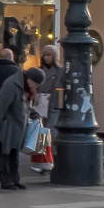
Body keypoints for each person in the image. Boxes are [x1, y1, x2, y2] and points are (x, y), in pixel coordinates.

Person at [0, 69, 42, 191]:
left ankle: (14, 180)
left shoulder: (26, 88)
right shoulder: (11, 84)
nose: (36, 87)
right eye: (36, 83)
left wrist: (35, 113)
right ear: (30, 79)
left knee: (14, 155)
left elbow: (25, 107)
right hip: (7, 127)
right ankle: (6, 181)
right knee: (4, 154)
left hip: (17, 128)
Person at [33, 45, 63, 175]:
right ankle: (41, 162)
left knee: (52, 133)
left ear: (55, 56)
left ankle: (53, 161)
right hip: (41, 103)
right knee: (41, 133)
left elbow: (62, 89)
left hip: (55, 105)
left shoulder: (60, 71)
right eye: (44, 55)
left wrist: (60, 104)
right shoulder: (40, 71)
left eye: (49, 55)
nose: (46, 57)